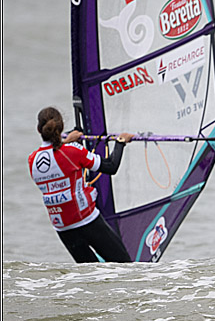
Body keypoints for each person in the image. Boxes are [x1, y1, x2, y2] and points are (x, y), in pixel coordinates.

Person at [28, 107, 135, 263]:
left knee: (90, 275)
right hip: (87, 221)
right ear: (61, 127)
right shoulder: (72, 151)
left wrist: (66, 142)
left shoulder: (32, 159)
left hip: (63, 228)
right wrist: (121, 141)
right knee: (125, 266)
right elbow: (111, 166)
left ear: (39, 130)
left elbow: (55, 159)